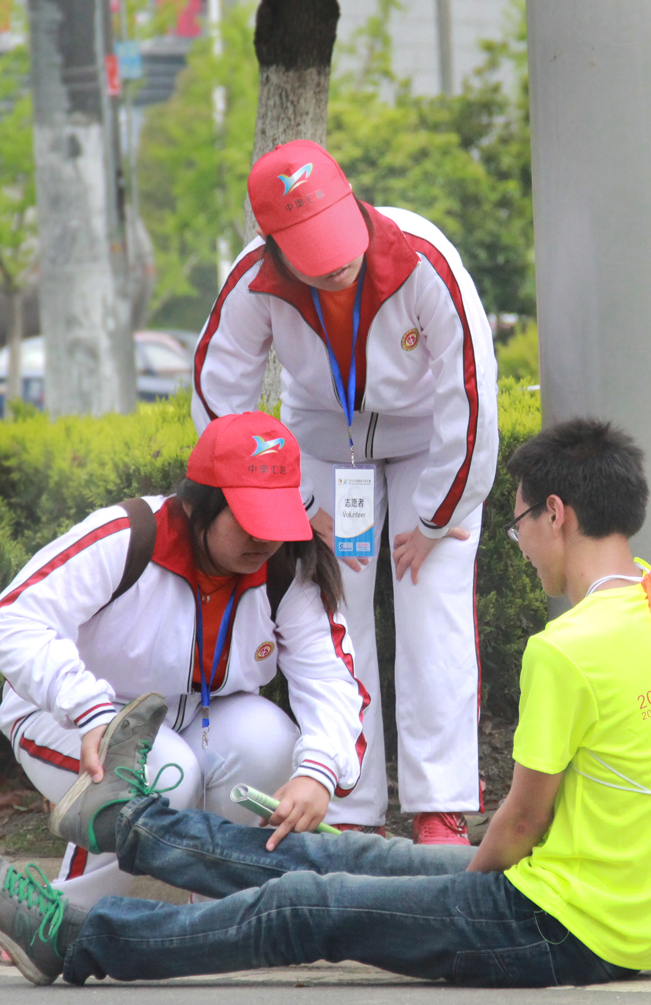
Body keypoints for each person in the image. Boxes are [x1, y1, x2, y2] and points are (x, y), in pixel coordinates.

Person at [0, 418, 651, 988]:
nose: (520, 542)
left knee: (309, 904)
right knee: (355, 855)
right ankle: (131, 823)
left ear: (554, 513)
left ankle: (74, 935)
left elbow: (522, 821)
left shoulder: (567, 647)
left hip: (566, 921)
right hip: (630, 910)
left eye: (519, 521)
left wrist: (444, 880)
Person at [192, 139, 498, 841]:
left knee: (435, 604)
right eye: (308, 246)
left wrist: (437, 515)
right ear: (271, 242)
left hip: (427, 442)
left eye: (336, 233)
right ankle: (352, 804)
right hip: (326, 442)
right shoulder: (251, 280)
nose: (334, 259)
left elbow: (472, 396)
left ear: (351, 196)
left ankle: (438, 806)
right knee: (333, 601)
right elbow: (219, 404)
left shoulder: (424, 256)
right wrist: (295, 510)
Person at [0, 410, 368, 908]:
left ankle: (215, 917)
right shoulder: (129, 534)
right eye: (250, 520)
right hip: (66, 716)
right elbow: (7, 619)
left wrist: (318, 772)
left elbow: (332, 678)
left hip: (192, 719)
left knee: (272, 745)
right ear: (198, 505)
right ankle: (58, 917)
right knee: (164, 775)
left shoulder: (286, 566)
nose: (266, 539)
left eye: (277, 521)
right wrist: (88, 707)